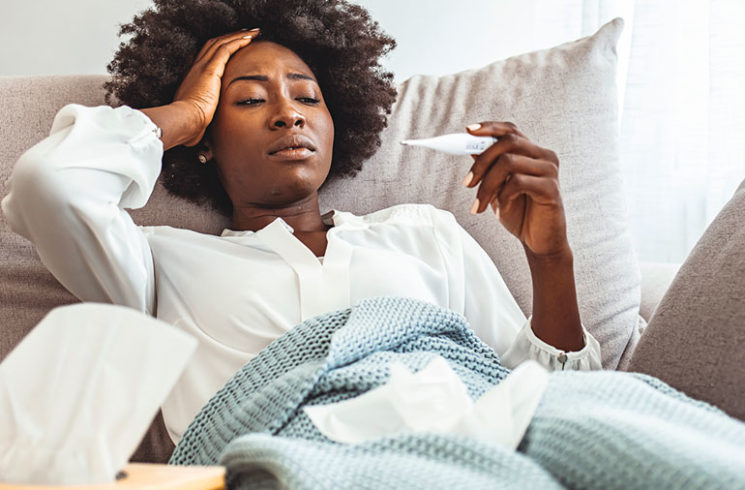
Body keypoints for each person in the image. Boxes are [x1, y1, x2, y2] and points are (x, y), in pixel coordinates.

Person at [1, 0, 602, 449]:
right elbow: (48, 184)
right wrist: (182, 117)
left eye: (308, 97)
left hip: (460, 455)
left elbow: (544, 400)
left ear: (340, 126)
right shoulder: (158, 264)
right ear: (205, 143)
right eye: (249, 100)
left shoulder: (425, 233)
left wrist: (552, 262)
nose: (289, 114)